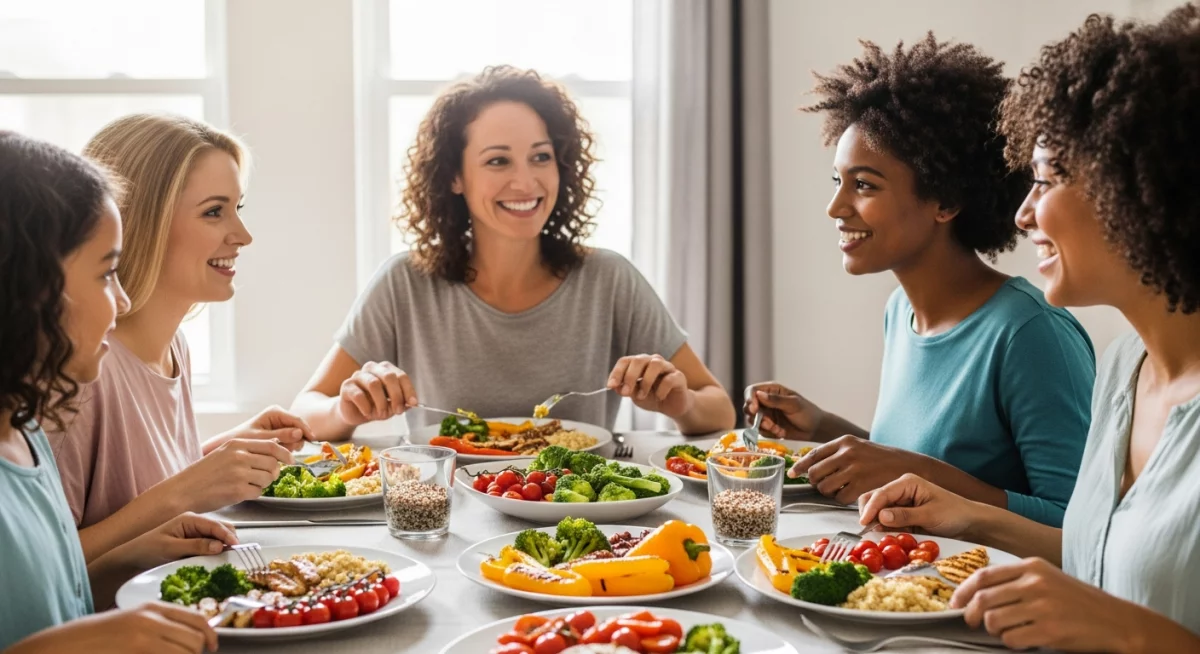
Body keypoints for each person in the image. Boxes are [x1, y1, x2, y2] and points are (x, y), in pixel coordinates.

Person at [858, 6, 1200, 651]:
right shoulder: (1127, 367)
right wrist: (970, 514)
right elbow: (1103, 558)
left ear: (1139, 183)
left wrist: (1129, 632)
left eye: (1044, 182)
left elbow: (1131, 613)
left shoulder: (1033, 331)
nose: (1021, 215)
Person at [743, 35, 1095, 526]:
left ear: (945, 202)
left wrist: (914, 470)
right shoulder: (900, 311)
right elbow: (915, 465)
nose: (836, 207)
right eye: (837, 181)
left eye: (863, 185)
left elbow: (1078, 529)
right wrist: (822, 428)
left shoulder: (1031, 334)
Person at [292, 66, 736, 438]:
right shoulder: (404, 282)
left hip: (580, 522)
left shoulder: (609, 278)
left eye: (540, 157)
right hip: (441, 520)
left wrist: (680, 403)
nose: (526, 183)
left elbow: (719, 408)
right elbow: (308, 407)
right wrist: (347, 410)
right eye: (498, 161)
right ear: (454, 176)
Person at [0, 130, 234, 653]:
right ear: (30, 289)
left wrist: (134, 559)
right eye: (107, 274)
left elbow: (57, 602)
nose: (123, 301)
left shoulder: (27, 434)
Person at [47, 114, 308, 563]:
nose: (242, 235)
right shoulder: (82, 372)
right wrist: (190, 487)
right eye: (213, 212)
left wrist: (223, 453)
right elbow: (43, 567)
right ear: (139, 223)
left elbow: (136, 490)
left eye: (236, 209)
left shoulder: (174, 346)